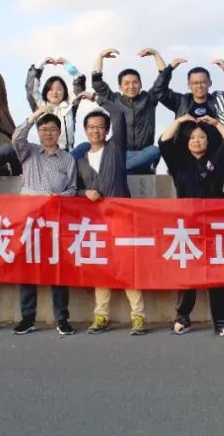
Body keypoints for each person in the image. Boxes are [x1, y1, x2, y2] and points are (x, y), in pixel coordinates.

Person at [159, 113, 224, 337]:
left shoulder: (217, 159)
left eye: (201, 137)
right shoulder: (179, 162)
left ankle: (222, 322)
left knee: (216, 274)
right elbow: (164, 142)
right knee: (188, 274)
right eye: (192, 137)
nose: (197, 141)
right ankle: (183, 318)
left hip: (215, 225)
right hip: (187, 226)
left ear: (208, 140)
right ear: (186, 141)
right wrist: (179, 121)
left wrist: (216, 123)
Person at [77, 109, 147, 336]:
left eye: (100, 127)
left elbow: (119, 115)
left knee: (128, 268)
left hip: (121, 220)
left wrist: (97, 97)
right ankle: (101, 317)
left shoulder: (116, 148)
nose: (95, 131)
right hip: (96, 223)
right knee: (101, 270)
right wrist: (84, 193)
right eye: (91, 127)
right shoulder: (80, 161)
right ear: (85, 130)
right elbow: (73, 189)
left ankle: (138, 316)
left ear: (107, 130)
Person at [11, 106, 78, 336]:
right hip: (29, 221)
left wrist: (58, 197)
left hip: (56, 221)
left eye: (52, 129)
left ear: (59, 133)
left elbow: (73, 188)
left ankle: (62, 318)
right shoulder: (28, 152)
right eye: (44, 129)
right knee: (28, 269)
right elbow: (16, 137)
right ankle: (27, 318)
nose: (48, 133)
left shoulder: (68, 158)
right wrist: (35, 115)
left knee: (58, 270)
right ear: (38, 132)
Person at [83, 47, 179, 174]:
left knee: (155, 150)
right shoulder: (114, 100)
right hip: (123, 153)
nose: (131, 86)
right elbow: (97, 83)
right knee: (109, 153)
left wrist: (156, 54)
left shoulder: (149, 99)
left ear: (140, 84)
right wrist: (100, 57)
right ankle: (128, 167)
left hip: (144, 153)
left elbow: (163, 80)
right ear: (120, 87)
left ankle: (119, 168)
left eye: (135, 82)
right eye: (126, 83)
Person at [25, 56, 88, 151]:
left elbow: (79, 84)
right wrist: (41, 64)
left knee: (86, 146)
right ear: (46, 92)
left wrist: (68, 65)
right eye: (51, 89)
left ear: (64, 92)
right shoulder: (40, 106)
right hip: (47, 153)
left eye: (59, 89)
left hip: (67, 153)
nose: (55, 92)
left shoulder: (70, 106)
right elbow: (31, 89)